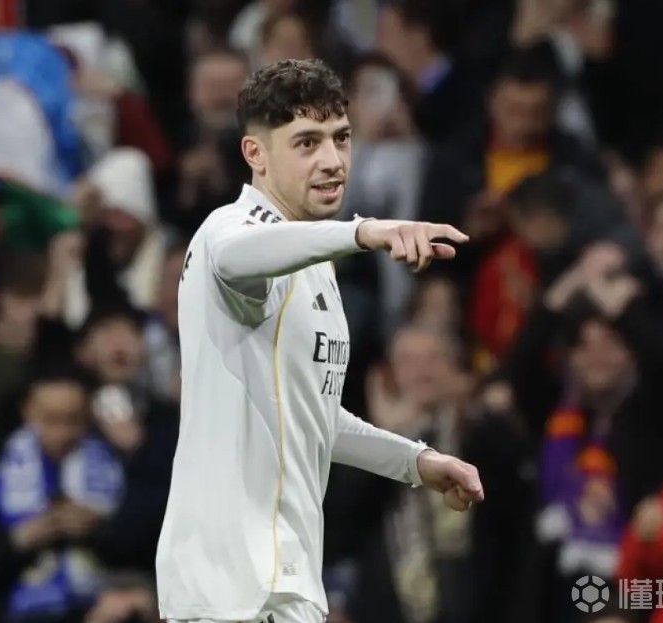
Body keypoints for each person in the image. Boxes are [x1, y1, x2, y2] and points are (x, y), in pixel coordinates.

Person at [156, 58, 484, 623]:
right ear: (256, 154)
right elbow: (238, 257)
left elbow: (313, 415)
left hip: (284, 583)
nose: (332, 160)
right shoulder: (228, 231)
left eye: (341, 138)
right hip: (232, 588)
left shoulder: (314, 265)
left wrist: (415, 461)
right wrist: (364, 231)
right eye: (307, 143)